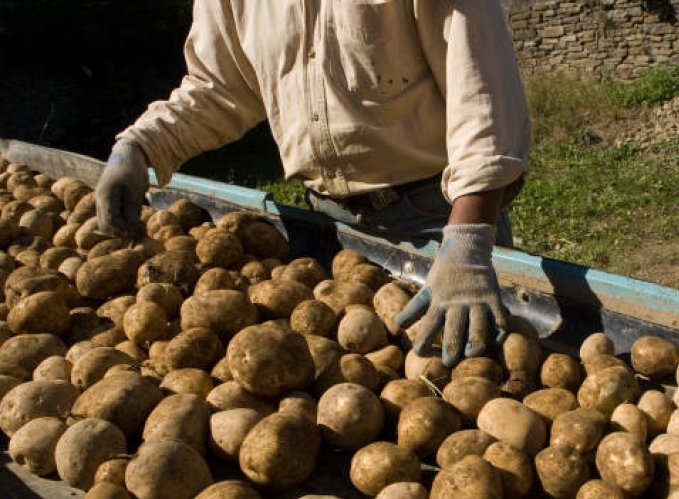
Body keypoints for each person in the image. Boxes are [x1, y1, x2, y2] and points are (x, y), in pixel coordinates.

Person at [94, 0, 531, 367]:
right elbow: (217, 89)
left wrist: (468, 243)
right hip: (325, 231)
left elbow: (482, 95)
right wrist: (141, 146)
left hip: (441, 220)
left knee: (468, 373)